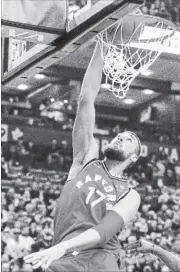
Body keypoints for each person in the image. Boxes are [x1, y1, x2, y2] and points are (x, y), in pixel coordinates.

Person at [24, 41, 141, 271]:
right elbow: (86, 99)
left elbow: (104, 231)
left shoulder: (130, 195)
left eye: (129, 140)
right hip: (62, 257)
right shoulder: (86, 159)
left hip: (101, 259)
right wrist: (103, 45)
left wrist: (62, 248)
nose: (120, 137)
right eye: (120, 135)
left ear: (134, 158)